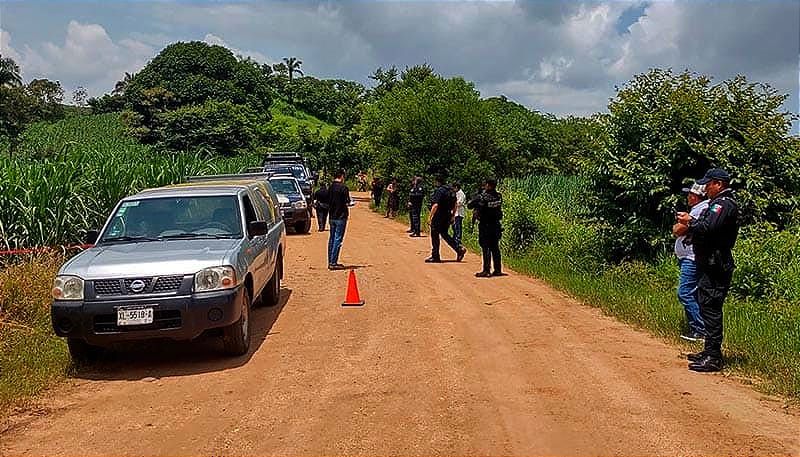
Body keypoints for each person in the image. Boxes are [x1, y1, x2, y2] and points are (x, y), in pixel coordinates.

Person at [676, 168, 740, 372]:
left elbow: (708, 228)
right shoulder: (717, 203)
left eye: (708, 184)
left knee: (711, 309)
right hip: (709, 263)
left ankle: (714, 357)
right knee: (705, 304)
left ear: (718, 184)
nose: (705, 188)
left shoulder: (723, 204)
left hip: (717, 264)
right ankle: (709, 350)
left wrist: (690, 222)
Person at [671, 181, 709, 342]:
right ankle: (697, 328)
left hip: (691, 258)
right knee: (694, 293)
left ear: (698, 196)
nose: (688, 196)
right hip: (689, 257)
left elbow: (678, 230)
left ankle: (700, 329)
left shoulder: (701, 208)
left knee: (685, 292)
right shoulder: (698, 209)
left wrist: (681, 223)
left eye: (691, 194)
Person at [468, 178, 504, 277]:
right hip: (496, 225)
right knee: (495, 247)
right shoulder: (499, 197)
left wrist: (477, 198)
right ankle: (497, 270)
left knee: (486, 247)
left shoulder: (482, 197)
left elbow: (469, 205)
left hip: (485, 225)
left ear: (488, 185)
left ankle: (486, 270)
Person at [426, 176, 466, 263]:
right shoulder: (451, 190)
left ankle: (435, 256)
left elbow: (435, 205)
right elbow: (455, 204)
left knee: (435, 235)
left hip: (439, 216)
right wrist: (452, 216)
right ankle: (459, 249)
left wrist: (430, 217)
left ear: (438, 182)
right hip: (448, 215)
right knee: (445, 234)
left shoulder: (439, 191)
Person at [327, 170, 351, 270]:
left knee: (332, 238)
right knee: (338, 239)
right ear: (342, 176)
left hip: (332, 216)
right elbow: (347, 201)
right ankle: (333, 262)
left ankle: (330, 261)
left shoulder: (331, 187)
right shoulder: (343, 188)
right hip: (341, 216)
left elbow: (328, 200)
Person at [451, 182, 466, 247]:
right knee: (454, 226)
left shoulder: (461, 194)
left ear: (456, 187)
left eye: (454, 188)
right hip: (455, 212)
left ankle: (458, 240)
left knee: (458, 227)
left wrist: (452, 204)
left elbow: (459, 203)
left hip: (459, 213)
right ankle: (454, 238)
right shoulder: (456, 193)